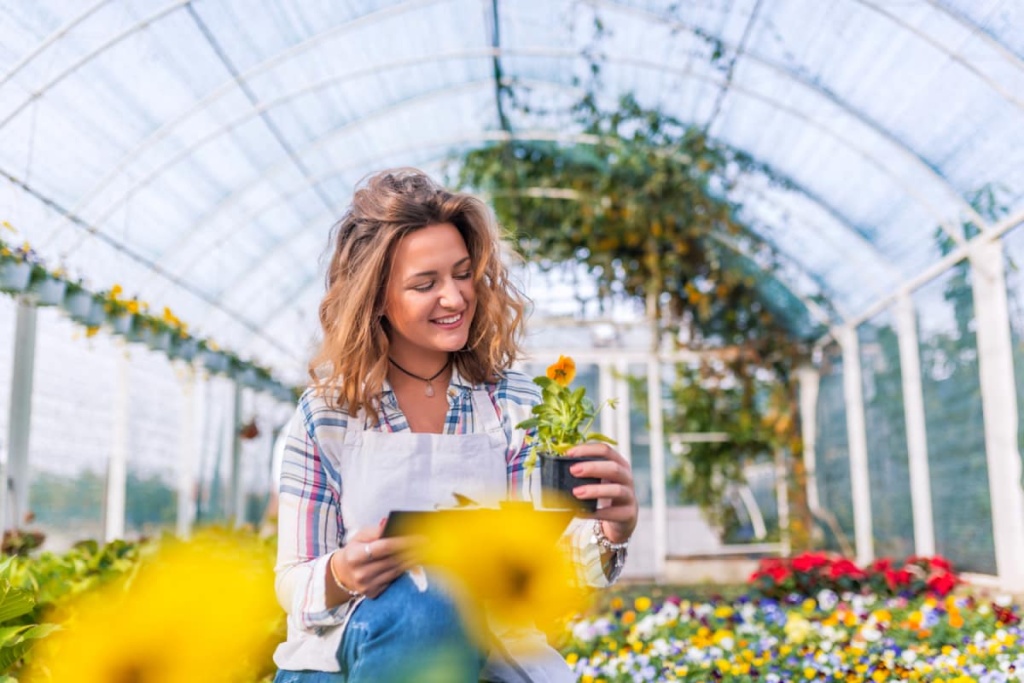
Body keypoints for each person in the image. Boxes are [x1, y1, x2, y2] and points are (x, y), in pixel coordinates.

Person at [272, 168, 638, 683]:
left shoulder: (513, 403)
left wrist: (610, 529)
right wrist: (340, 573)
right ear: (376, 299)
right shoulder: (328, 414)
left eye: (463, 273)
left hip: (482, 653)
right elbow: (291, 579)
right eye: (426, 284)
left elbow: (546, 566)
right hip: (341, 657)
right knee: (426, 606)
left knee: (449, 605)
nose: (456, 297)